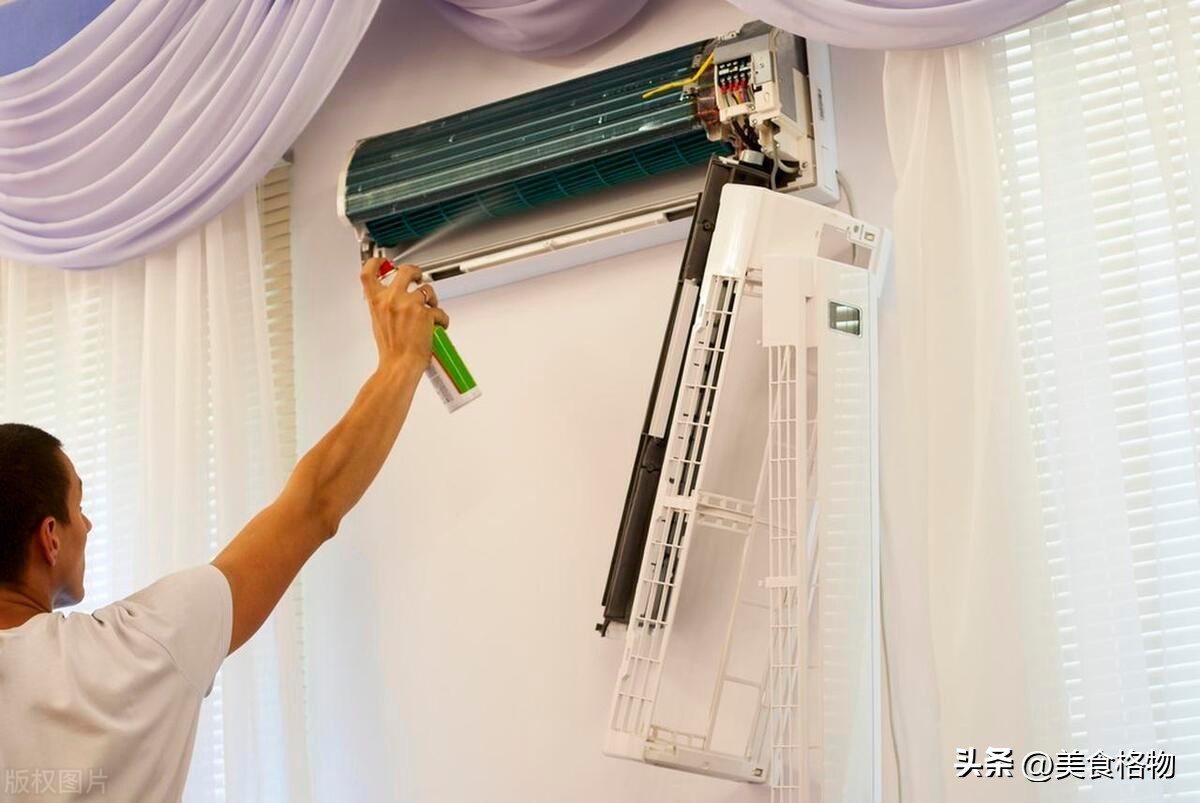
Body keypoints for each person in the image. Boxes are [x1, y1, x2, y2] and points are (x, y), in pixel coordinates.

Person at [0, 260, 444, 802]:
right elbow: (314, 505)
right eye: (79, 505)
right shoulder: (140, 647)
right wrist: (401, 361)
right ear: (49, 537)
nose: (88, 525)